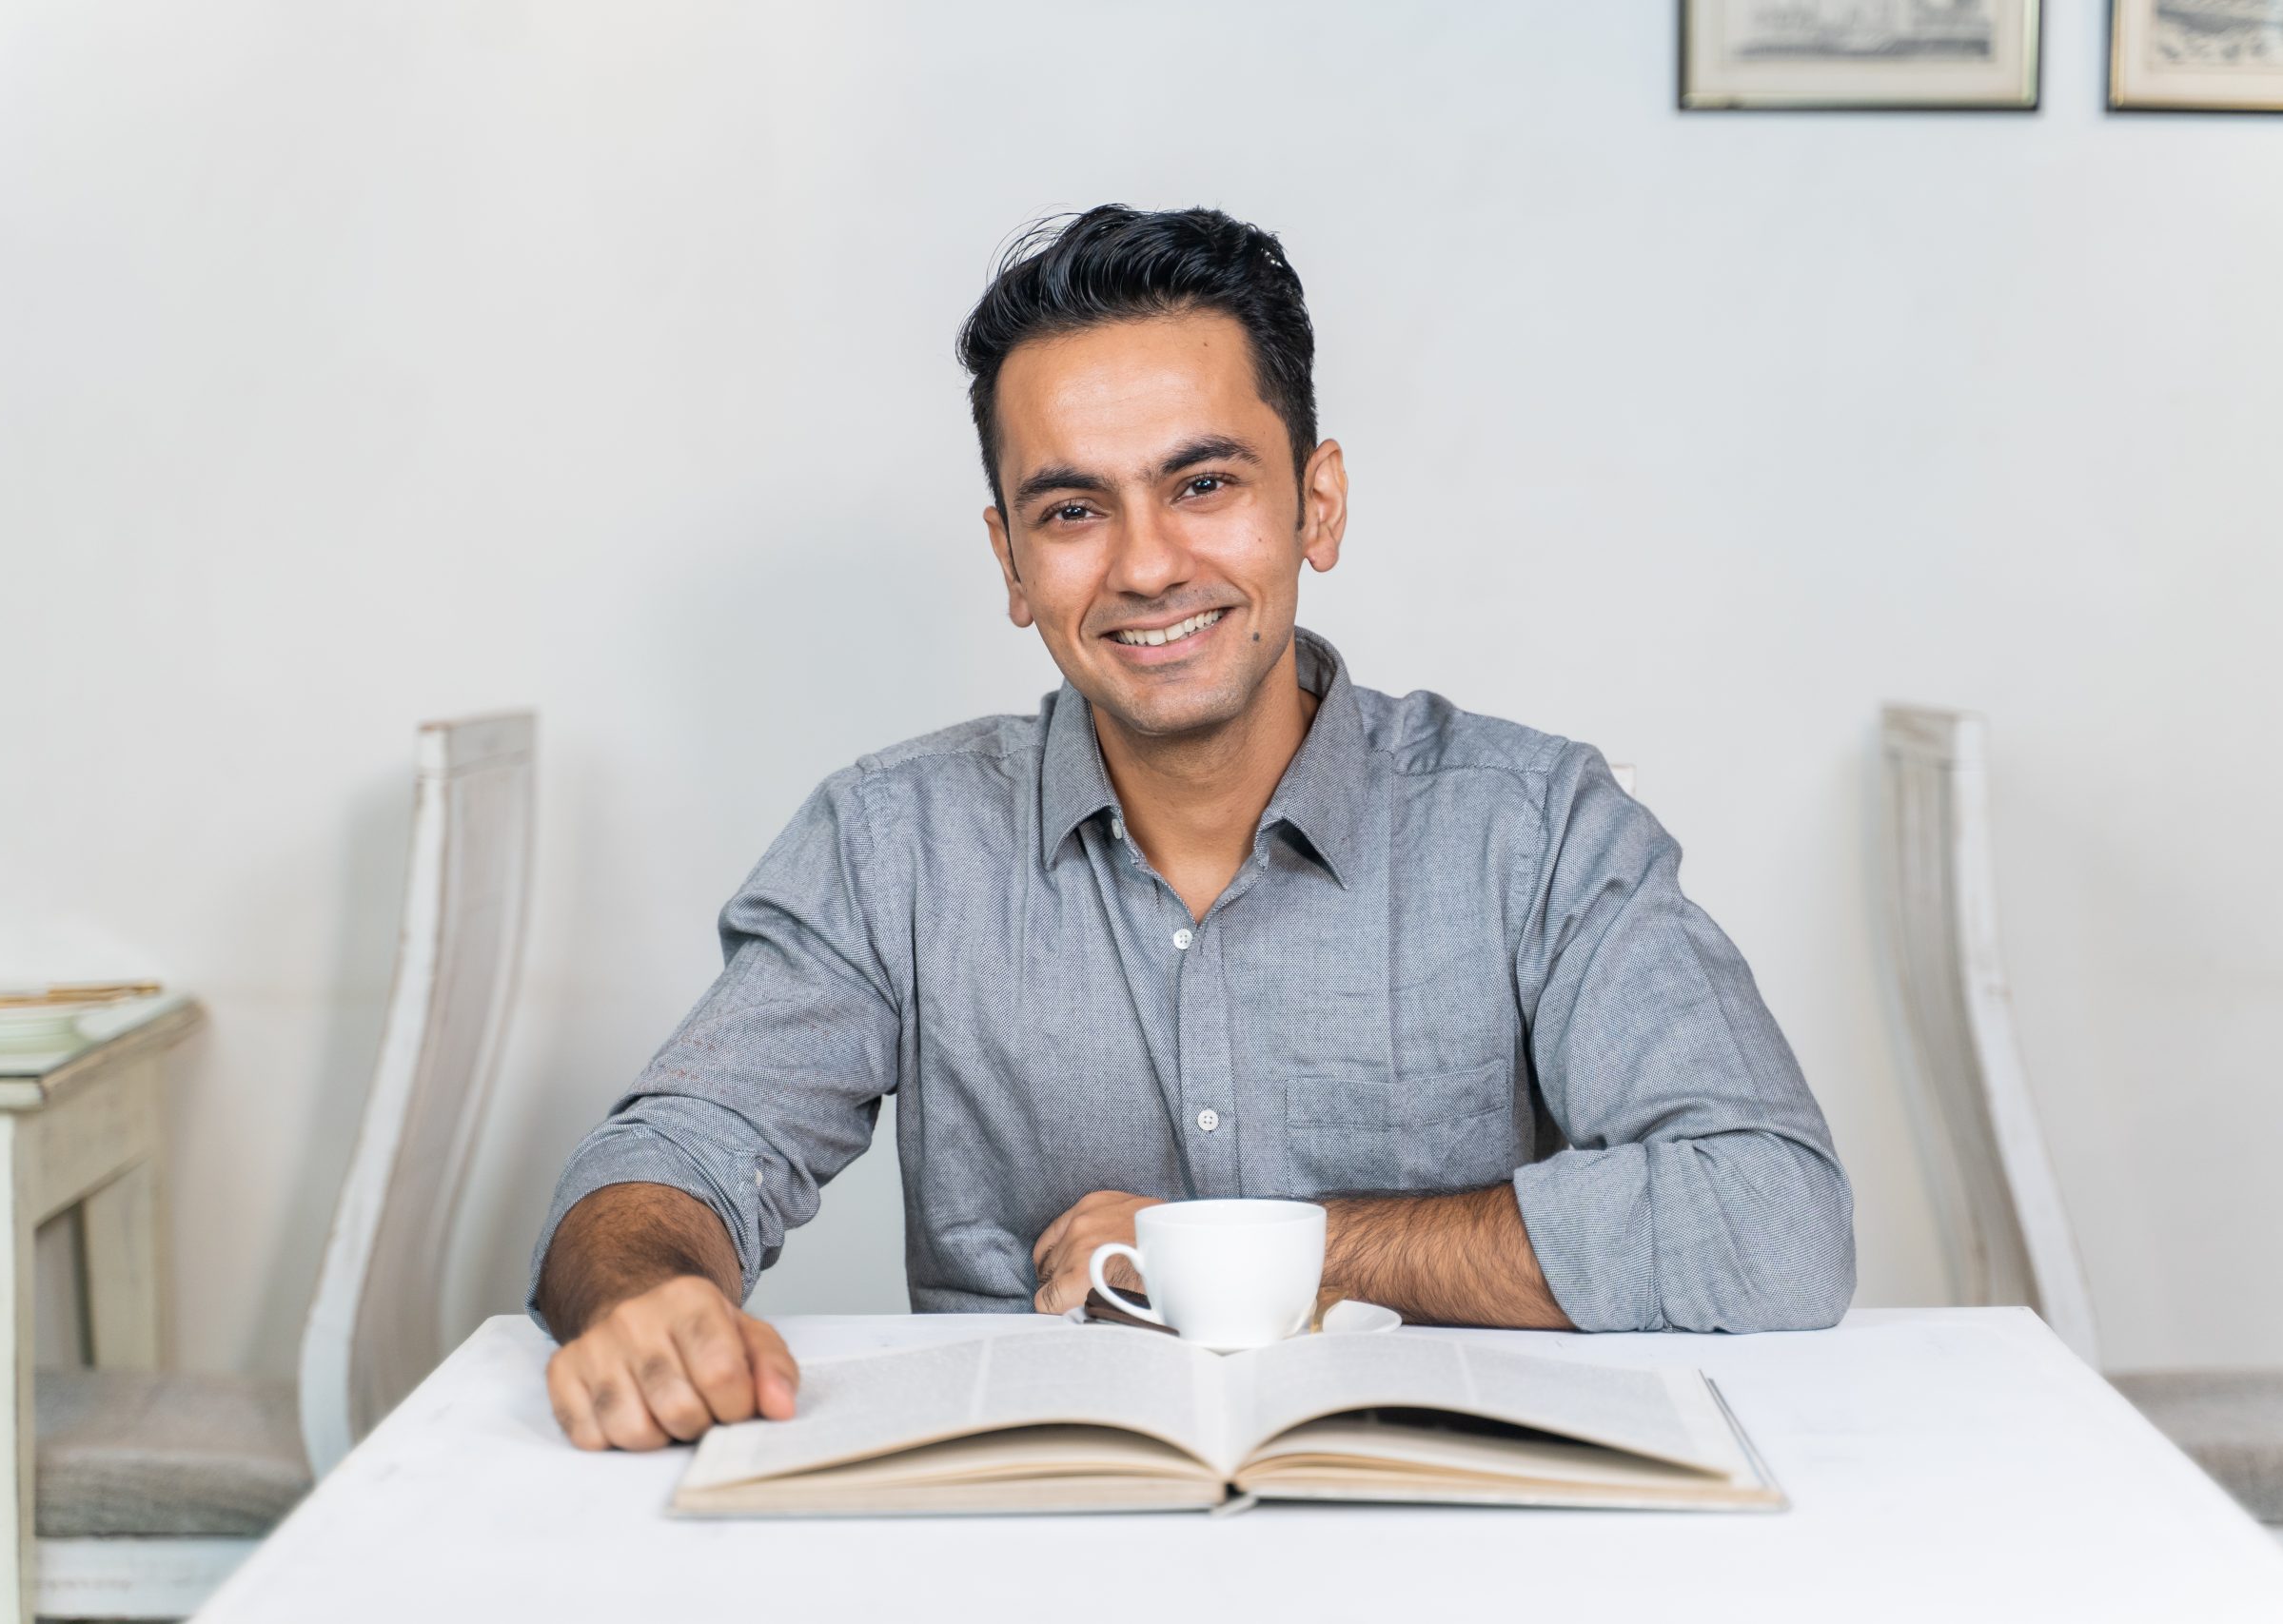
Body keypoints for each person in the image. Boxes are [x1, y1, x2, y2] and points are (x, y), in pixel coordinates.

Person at [530, 205, 1855, 1452]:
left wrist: (1254, 1248)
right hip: (1033, 1551)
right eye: (1072, 510)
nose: (1148, 563)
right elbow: (668, 1160)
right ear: (1009, 560)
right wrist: (645, 1295)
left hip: (1446, 1546)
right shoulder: (895, 843)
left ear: (1314, 505)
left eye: (1204, 483)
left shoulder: (1538, 826)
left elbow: (1774, 1221)